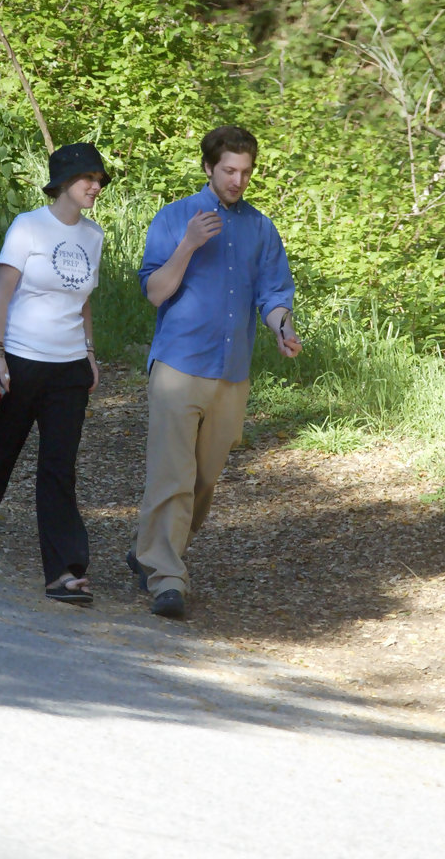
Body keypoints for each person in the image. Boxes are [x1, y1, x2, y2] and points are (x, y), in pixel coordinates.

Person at [128, 125, 302, 619]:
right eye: (228, 170)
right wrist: (187, 245)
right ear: (208, 167)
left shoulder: (261, 229)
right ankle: (166, 576)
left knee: (204, 480)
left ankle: (152, 549)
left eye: (245, 172)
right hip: (179, 365)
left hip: (232, 371)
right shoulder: (175, 217)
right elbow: (155, 292)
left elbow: (273, 294)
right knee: (172, 475)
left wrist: (281, 328)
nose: (237, 180)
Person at [0, 142, 110, 606]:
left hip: (69, 369)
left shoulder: (94, 236)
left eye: (100, 180)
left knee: (59, 469)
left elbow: (84, 300)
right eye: (88, 179)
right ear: (63, 183)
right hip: (20, 362)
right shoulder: (28, 226)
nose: (96, 186)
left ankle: (65, 572)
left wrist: (90, 353)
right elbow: (1, 294)